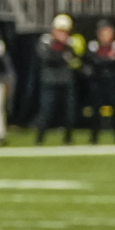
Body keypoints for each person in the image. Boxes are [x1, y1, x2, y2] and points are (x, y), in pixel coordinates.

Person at [35, 14, 81, 145]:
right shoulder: (46, 40)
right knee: (46, 111)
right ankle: (40, 138)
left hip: (66, 80)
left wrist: (66, 47)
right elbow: (46, 58)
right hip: (49, 80)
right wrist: (62, 54)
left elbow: (76, 58)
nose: (62, 33)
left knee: (69, 112)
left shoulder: (71, 42)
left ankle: (68, 138)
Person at [85, 19, 115, 144]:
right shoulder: (93, 45)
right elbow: (94, 61)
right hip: (98, 81)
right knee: (96, 109)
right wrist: (108, 59)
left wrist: (103, 60)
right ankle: (94, 137)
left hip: (112, 80)